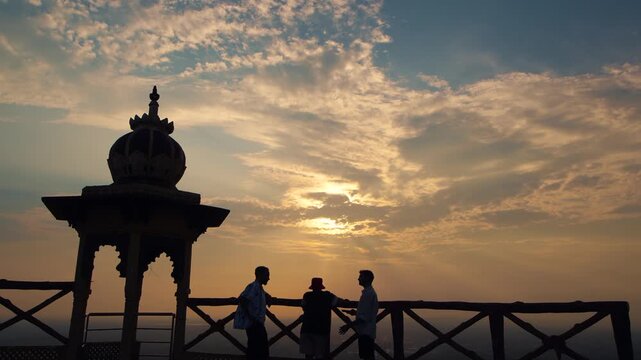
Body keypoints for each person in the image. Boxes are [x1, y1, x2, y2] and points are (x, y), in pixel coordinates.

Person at [234, 266, 272, 360]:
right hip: (254, 323)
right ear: (261, 275)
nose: (268, 278)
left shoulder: (257, 288)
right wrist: (251, 317)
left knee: (255, 349)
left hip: (255, 323)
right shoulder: (254, 287)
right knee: (259, 350)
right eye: (267, 275)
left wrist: (267, 296)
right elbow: (243, 299)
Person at [339, 270, 378, 360]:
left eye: (361, 276)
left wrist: (348, 326)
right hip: (367, 331)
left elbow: (364, 318)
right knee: (368, 356)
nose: (358, 279)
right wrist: (355, 313)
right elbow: (368, 313)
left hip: (366, 332)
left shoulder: (368, 294)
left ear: (367, 278)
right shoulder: (369, 293)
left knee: (367, 356)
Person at [299, 278, 340, 359]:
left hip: (307, 328)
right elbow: (335, 301)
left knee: (308, 355)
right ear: (321, 287)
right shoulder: (327, 295)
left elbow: (303, 306)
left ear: (312, 287)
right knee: (320, 355)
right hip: (321, 330)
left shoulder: (306, 295)